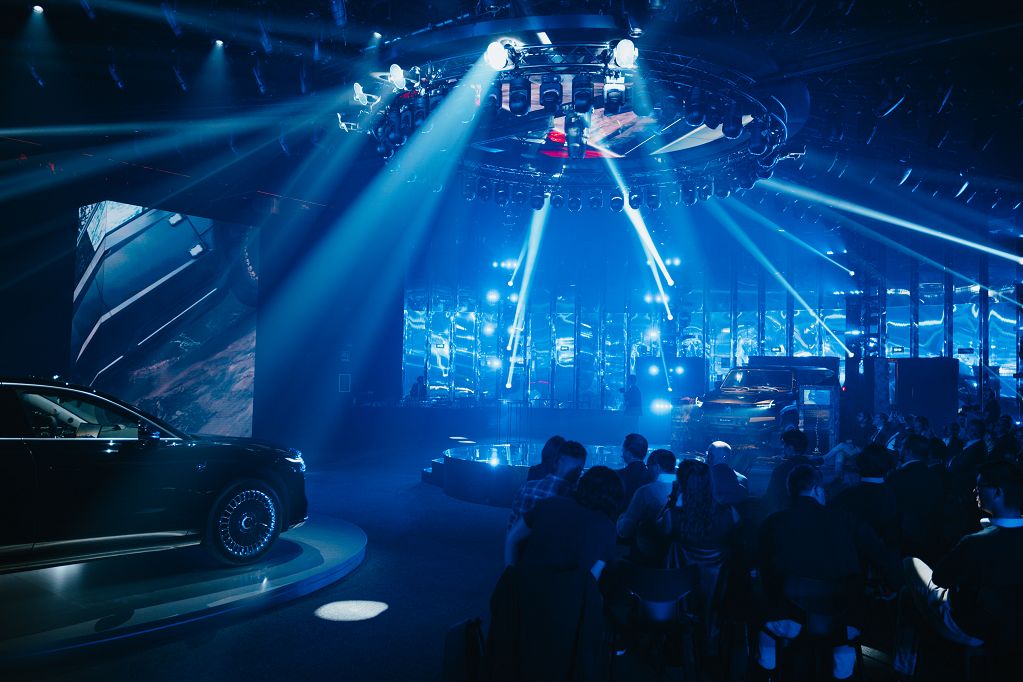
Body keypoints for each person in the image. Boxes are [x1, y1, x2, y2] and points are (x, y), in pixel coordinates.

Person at [756, 465, 897, 681]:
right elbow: (879, 552)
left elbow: (760, 564)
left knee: (762, 613)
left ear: (791, 491)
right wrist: (893, 584)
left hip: (788, 618)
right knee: (848, 620)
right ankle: (842, 671)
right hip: (841, 618)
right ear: (816, 489)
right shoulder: (845, 519)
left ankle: (767, 670)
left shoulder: (773, 522)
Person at [903, 461, 1023, 666]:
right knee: (907, 595)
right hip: (1014, 624)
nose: (974, 490)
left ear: (998, 492)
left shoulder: (976, 542)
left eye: (980, 485)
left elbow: (940, 578)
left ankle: (904, 667)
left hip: (971, 627)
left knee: (909, 563)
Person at [507, 440, 586, 529]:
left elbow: (512, 525)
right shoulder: (575, 499)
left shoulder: (526, 488)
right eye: (579, 470)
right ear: (578, 471)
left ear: (555, 463)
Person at [617, 449, 676, 565]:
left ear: (657, 467)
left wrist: (621, 517)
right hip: (676, 560)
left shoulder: (646, 491)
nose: (647, 470)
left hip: (647, 559)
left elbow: (625, 530)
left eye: (648, 466)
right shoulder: (685, 489)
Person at [762, 429, 813, 515]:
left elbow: (771, 498)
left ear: (790, 448)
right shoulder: (813, 468)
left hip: (785, 516)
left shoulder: (781, 470)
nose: (782, 448)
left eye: (784, 445)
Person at [615, 432, 652, 512]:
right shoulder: (652, 476)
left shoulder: (617, 476)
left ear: (628, 453)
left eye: (623, 450)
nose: (622, 454)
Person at [706, 440, 749, 506]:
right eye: (708, 454)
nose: (707, 457)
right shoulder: (743, 479)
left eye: (710, 454)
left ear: (724, 457)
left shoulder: (704, 476)